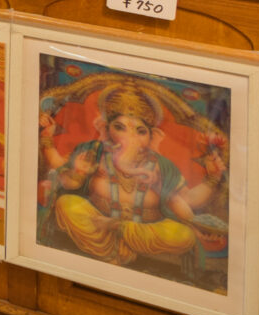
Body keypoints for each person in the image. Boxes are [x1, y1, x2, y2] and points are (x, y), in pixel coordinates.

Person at [39, 79, 228, 279]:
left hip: (143, 233)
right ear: (106, 129)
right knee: (66, 204)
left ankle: (118, 229)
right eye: (120, 127)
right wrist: (69, 163)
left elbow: (190, 200)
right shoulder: (94, 152)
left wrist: (213, 177)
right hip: (97, 227)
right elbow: (62, 174)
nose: (129, 136)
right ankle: (112, 247)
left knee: (184, 236)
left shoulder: (161, 166)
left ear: (152, 136)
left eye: (140, 131)